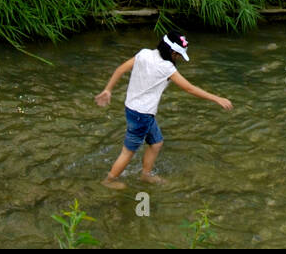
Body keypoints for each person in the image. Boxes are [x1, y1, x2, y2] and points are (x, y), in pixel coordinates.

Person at [94, 31, 233, 188]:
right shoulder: (166, 67)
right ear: (172, 52)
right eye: (178, 55)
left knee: (156, 143)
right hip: (142, 115)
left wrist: (108, 89)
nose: (178, 58)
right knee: (128, 152)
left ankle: (145, 175)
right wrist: (216, 98)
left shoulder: (144, 53)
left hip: (133, 109)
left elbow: (120, 70)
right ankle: (109, 181)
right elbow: (189, 88)